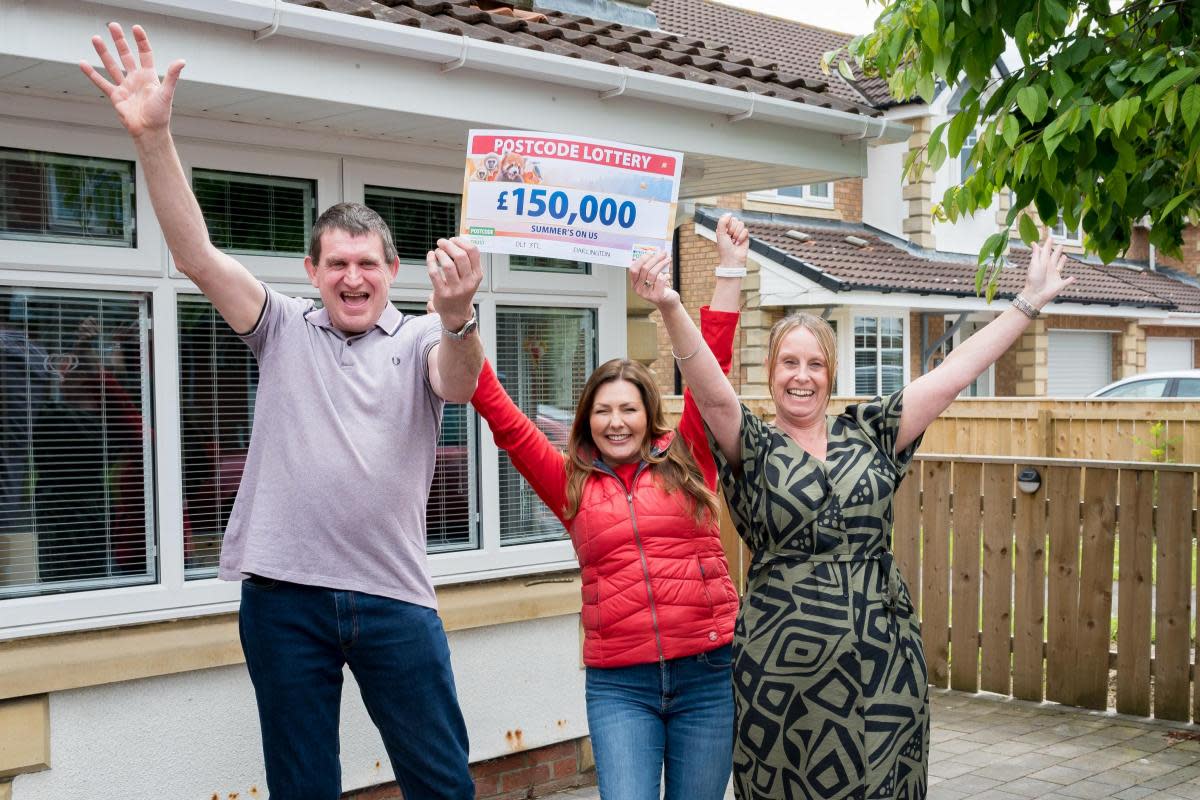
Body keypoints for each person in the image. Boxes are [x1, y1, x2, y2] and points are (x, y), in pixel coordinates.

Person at [82, 23, 483, 799]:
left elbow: (460, 384)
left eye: (368, 264)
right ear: (313, 270)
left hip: (393, 596)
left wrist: (461, 312)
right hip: (282, 597)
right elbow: (197, 256)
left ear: (393, 270)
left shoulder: (429, 333)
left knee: (440, 782)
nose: (354, 277)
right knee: (302, 787)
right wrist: (156, 137)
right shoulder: (282, 326)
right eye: (338, 263)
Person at [636, 229, 1075, 799]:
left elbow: (956, 371)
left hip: (883, 657)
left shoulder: (871, 431)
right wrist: (670, 304)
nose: (801, 375)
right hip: (783, 668)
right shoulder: (751, 442)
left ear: (831, 373)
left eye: (815, 363)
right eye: (788, 362)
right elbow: (710, 387)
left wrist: (1027, 302)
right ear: (771, 373)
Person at [468, 214, 750, 800]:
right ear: (586, 421)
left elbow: (710, 365)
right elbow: (505, 419)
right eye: (602, 411)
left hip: (708, 673)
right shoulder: (570, 483)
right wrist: (459, 322)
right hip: (621, 684)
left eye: (628, 409)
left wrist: (728, 271)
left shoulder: (689, 456)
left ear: (649, 415)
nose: (616, 421)